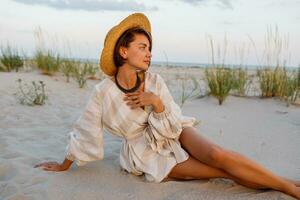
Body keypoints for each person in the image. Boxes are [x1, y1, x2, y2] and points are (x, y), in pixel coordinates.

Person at [34, 13, 300, 199]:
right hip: (145, 151)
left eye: (150, 47)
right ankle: (289, 186)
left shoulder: (155, 80)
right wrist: (64, 164)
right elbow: (86, 130)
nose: (149, 53)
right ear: (124, 52)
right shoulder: (102, 92)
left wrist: (156, 102)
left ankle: (289, 187)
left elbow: (172, 119)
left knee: (219, 155)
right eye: (142, 47)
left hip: (174, 129)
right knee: (220, 172)